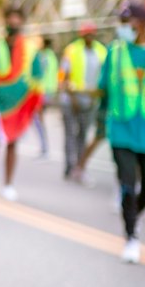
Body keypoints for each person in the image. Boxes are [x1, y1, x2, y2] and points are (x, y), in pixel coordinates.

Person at [98, 1, 145, 264]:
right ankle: (131, 236)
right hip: (121, 129)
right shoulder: (116, 51)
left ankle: (132, 216)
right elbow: (103, 86)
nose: (123, 27)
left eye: (127, 22)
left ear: (142, 23)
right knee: (128, 185)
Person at [0, 3, 44, 201]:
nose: (13, 21)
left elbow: (36, 80)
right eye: (10, 17)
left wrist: (35, 107)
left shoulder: (31, 49)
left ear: (22, 21)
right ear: (6, 20)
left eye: (17, 18)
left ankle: (8, 184)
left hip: (18, 106)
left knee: (12, 143)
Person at [60, 21, 106, 184]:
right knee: (70, 134)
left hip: (90, 101)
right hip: (71, 99)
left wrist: (95, 98)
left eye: (92, 34)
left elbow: (103, 79)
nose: (90, 37)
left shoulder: (101, 51)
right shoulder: (72, 50)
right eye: (87, 34)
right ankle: (69, 165)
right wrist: (71, 98)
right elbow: (62, 76)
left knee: (83, 135)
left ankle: (79, 167)